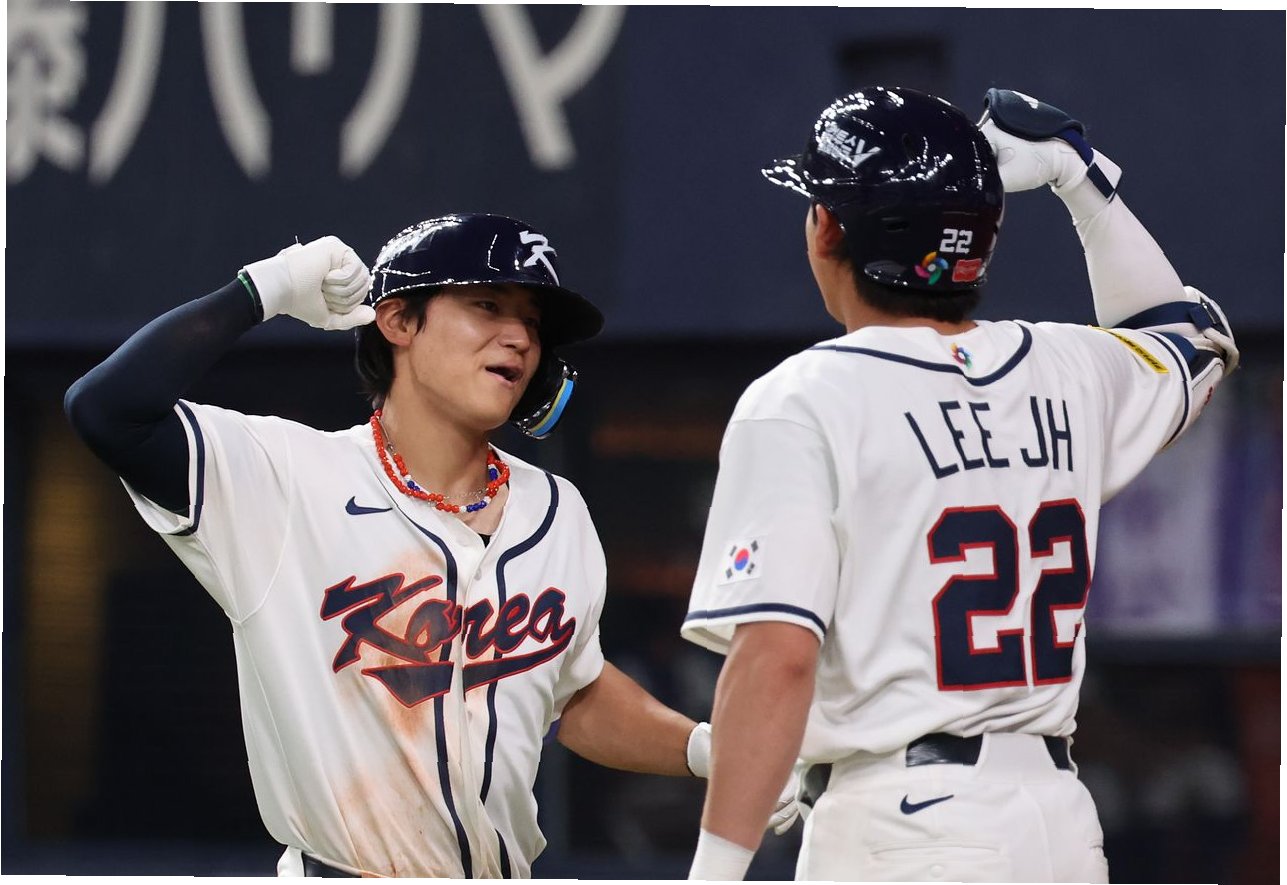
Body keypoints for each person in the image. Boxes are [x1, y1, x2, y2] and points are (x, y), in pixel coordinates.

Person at [64, 213, 797, 877]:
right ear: (398, 319)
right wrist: (263, 290)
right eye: (487, 306)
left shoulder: (558, 510)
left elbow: (572, 693)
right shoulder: (288, 479)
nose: (519, 337)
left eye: (531, 322)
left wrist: (704, 748)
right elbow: (107, 410)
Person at [680, 87, 1239, 882]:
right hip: (1059, 825)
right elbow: (1184, 331)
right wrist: (1076, 176)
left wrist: (712, 870)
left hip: (902, 826)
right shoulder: (1066, 368)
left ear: (828, 228)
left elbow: (776, 659)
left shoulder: (802, 397)